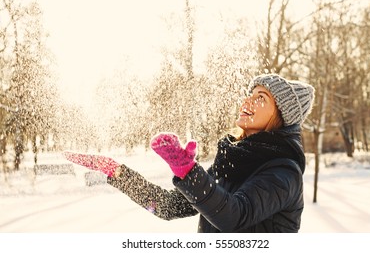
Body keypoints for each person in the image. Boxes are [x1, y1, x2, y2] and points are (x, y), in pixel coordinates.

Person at [64, 73, 315, 233]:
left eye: (261, 97)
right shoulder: (232, 162)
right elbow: (167, 206)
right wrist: (117, 172)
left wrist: (188, 172)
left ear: (281, 115)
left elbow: (234, 217)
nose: (248, 101)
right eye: (250, 94)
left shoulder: (283, 173)